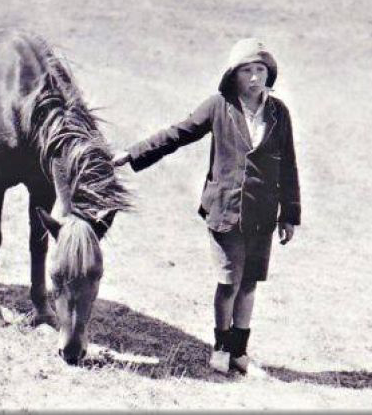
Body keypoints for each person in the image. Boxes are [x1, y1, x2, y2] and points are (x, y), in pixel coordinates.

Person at [113, 38, 300, 376]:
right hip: (224, 211)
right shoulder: (218, 106)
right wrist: (134, 153)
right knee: (229, 282)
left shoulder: (278, 113)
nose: (255, 77)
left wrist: (289, 214)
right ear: (234, 75)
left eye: (260, 70)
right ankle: (221, 346)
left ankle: (240, 353)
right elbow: (179, 133)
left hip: (262, 215)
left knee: (249, 284)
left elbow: (288, 165)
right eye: (247, 70)